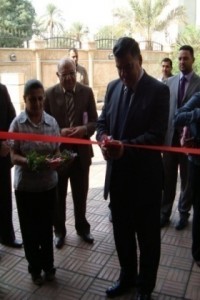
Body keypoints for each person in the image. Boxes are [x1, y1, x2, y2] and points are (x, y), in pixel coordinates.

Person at [96, 37, 169, 300]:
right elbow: (102, 122)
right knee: (122, 235)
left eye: (128, 67)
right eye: (119, 68)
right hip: (118, 180)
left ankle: (145, 288)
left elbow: (157, 136)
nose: (123, 74)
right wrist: (103, 139)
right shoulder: (113, 87)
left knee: (148, 240)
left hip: (145, 182)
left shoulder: (159, 91)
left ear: (139, 59)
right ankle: (127, 277)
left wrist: (125, 148)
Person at [9, 79, 60, 285]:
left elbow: (56, 149)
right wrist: (31, 162)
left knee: (46, 229)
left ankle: (48, 266)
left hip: (48, 186)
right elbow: (13, 156)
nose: (37, 104)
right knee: (29, 231)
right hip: (26, 189)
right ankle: (34, 268)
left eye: (40, 99)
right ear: (25, 100)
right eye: (32, 100)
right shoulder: (17, 124)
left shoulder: (52, 123)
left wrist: (56, 160)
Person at [44, 58, 97, 249]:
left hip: (81, 154)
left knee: (81, 193)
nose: (69, 78)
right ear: (58, 75)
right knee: (59, 196)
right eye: (64, 74)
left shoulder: (87, 92)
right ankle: (59, 231)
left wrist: (84, 129)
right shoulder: (49, 94)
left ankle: (82, 228)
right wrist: (60, 133)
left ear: (77, 72)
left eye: (72, 73)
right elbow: (43, 125)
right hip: (59, 155)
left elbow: (94, 121)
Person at [160, 45, 200, 230]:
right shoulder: (170, 82)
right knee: (167, 178)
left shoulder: (199, 84)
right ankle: (165, 212)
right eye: (180, 59)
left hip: (189, 142)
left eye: (185, 58)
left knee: (187, 180)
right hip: (170, 140)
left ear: (193, 60)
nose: (182, 62)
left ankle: (183, 214)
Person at [174, 91, 200, 267]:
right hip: (197, 164)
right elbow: (178, 117)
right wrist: (197, 114)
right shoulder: (198, 97)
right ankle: (198, 253)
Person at [0, 82, 22, 248]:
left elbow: (11, 116)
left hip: (3, 155)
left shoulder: (2, 89)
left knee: (5, 198)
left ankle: (7, 236)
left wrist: (7, 142)